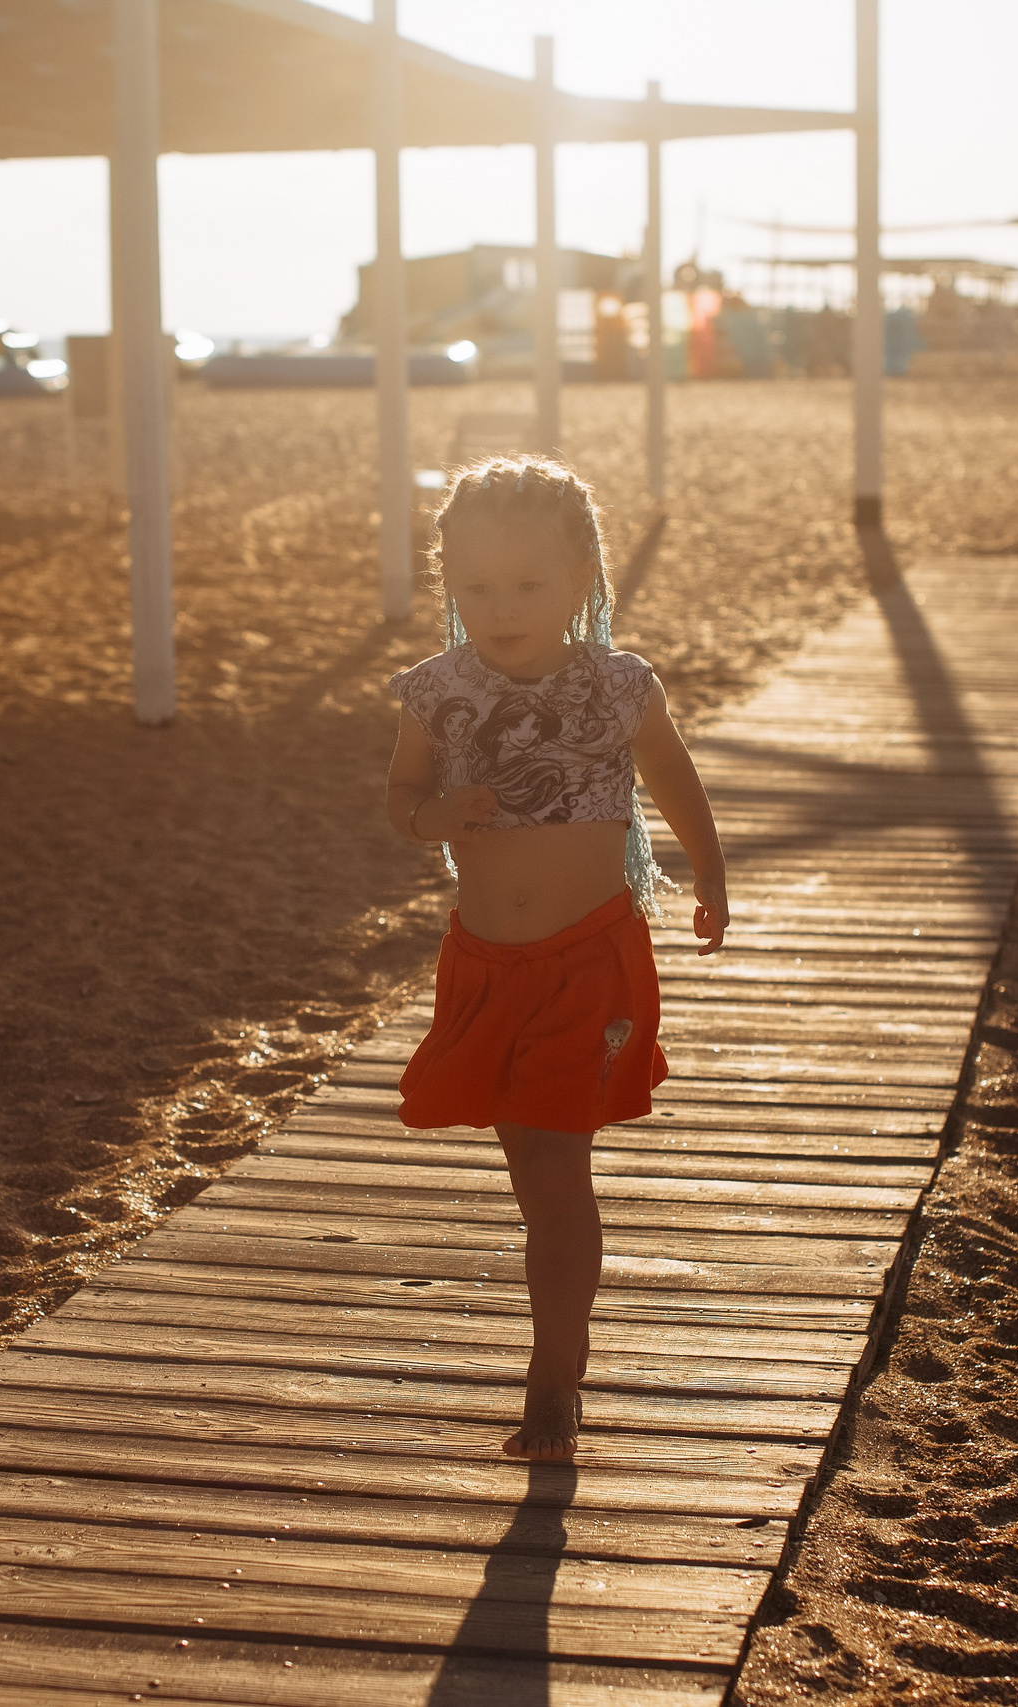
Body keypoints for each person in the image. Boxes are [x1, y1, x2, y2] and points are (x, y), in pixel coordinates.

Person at [384, 456, 729, 1461]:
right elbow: (399, 799)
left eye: (528, 585)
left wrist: (707, 875)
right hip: (486, 965)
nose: (501, 608)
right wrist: (431, 816)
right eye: (477, 586)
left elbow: (674, 780)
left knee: (554, 1169)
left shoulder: (617, 688)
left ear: (583, 575)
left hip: (592, 962)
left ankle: (552, 1388)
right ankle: (556, 1377)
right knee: (531, 1168)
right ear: (448, 580)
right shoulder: (435, 692)